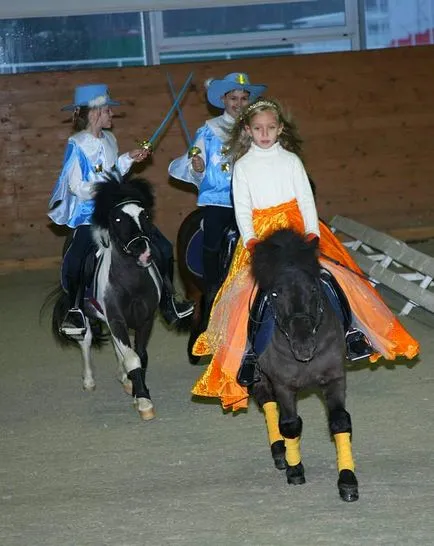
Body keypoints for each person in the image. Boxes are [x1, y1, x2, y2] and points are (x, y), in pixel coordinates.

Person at [192, 97, 419, 412]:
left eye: (271, 128)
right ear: (247, 130)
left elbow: (305, 198)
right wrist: (252, 240)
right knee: (247, 295)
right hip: (261, 236)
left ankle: (353, 332)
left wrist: (312, 231)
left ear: (280, 129)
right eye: (258, 129)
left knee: (333, 277)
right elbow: (242, 207)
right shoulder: (243, 166)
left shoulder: (291, 161)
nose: (265, 134)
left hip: (298, 231)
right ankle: (247, 355)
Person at [48, 83, 193, 338]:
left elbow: (113, 172)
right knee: (77, 256)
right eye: (107, 111)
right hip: (89, 214)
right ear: (93, 113)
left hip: (115, 209)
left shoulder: (111, 140)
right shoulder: (77, 143)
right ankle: (74, 309)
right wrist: (104, 188)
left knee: (163, 246)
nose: (111, 115)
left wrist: (128, 159)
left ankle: (168, 301)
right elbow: (75, 186)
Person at [168, 72, 267, 314]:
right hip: (219, 199)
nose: (239, 104)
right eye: (234, 98)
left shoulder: (256, 128)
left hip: (252, 200)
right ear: (223, 99)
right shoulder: (209, 130)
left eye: (244, 98)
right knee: (212, 235)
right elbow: (197, 156)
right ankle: (212, 288)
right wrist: (198, 165)